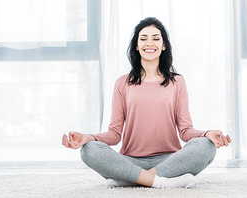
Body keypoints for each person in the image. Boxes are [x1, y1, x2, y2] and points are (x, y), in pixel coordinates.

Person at [62, 17, 231, 189]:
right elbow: (114, 133)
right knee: (88, 150)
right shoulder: (122, 83)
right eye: (143, 39)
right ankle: (162, 182)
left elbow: (186, 131)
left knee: (206, 147)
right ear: (136, 45)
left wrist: (207, 133)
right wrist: (88, 138)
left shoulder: (177, 82)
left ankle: (132, 180)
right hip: (130, 161)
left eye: (156, 38)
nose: (149, 43)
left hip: (169, 161)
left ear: (164, 45)